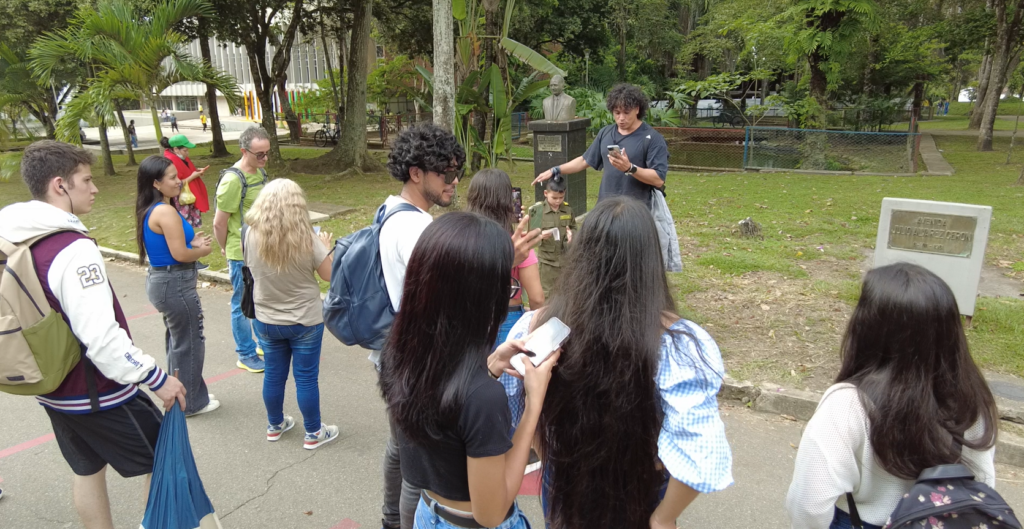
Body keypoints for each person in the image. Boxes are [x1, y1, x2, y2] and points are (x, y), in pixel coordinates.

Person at [502, 197, 733, 528]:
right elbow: (700, 456)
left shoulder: (537, 327)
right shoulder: (678, 345)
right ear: (650, 262)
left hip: (562, 483)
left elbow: (515, 409)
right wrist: (664, 518)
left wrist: (550, 450)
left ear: (581, 255)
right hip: (642, 492)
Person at [0, 140, 186, 529]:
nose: (95, 187)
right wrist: (157, 378)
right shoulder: (71, 249)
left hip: (52, 385)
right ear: (59, 185)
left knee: (87, 469)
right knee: (163, 458)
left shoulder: (14, 236)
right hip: (98, 390)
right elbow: (101, 337)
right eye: (86, 179)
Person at [376, 124, 541, 529]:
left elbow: (446, 425)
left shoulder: (401, 355)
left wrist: (488, 364)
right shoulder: (483, 400)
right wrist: (533, 405)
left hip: (429, 513)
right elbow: (489, 512)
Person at [786, 263, 998, 529]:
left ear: (868, 327)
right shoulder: (972, 398)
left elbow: (809, 503)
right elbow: (983, 481)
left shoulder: (848, 403)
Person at [243, 178, 339, 449]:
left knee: (273, 374)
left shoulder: (249, 233)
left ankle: (275, 425)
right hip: (304, 318)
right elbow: (329, 275)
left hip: (266, 317)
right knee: (306, 377)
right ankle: (313, 432)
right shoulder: (307, 237)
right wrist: (325, 245)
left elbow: (249, 267)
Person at [135, 155, 218, 417]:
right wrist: (201, 251)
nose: (179, 181)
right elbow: (181, 254)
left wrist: (190, 246)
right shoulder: (165, 210)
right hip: (175, 283)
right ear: (156, 183)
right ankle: (191, 403)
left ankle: (184, 394)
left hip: (165, 281)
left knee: (178, 341)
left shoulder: (154, 208)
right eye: (172, 178)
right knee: (190, 342)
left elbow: (170, 249)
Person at [533, 84, 669, 209]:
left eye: (626, 113)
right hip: (605, 209)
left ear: (637, 109)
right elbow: (584, 160)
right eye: (617, 112)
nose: (621, 118)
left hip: (635, 213)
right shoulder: (606, 132)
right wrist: (555, 170)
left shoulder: (652, 138)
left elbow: (658, 179)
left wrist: (630, 168)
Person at [466, 168, 545, 347]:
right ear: (506, 200)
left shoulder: (464, 238)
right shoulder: (518, 243)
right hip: (509, 317)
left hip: (472, 316)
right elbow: (537, 298)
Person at [214, 126, 271, 373]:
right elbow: (219, 222)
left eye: (267, 153)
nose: (265, 159)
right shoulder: (232, 180)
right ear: (244, 152)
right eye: (260, 154)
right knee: (241, 304)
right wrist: (226, 249)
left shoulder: (260, 173)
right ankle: (245, 353)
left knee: (259, 299)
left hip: (260, 250)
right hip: (241, 254)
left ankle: (262, 344)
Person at [527, 174, 576, 296]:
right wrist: (540, 235)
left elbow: (574, 227)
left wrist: (572, 235)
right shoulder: (538, 211)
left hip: (565, 261)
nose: (558, 201)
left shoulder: (567, 210)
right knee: (548, 295)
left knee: (566, 293)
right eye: (554, 198)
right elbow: (530, 238)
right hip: (547, 263)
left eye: (561, 197)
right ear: (545, 193)